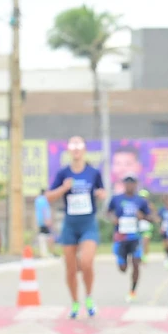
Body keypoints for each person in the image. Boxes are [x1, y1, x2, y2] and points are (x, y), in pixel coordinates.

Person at [46, 136, 105, 318]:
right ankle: (74, 302)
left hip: (88, 224)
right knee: (71, 269)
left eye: (79, 145)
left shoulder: (93, 173)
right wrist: (64, 188)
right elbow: (49, 197)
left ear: (85, 149)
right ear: (69, 150)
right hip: (70, 225)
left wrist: (101, 194)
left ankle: (89, 297)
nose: (76, 148)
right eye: (73, 145)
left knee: (86, 262)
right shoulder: (63, 173)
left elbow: (102, 191)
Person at [106, 176, 153, 301]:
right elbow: (108, 212)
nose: (130, 185)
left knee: (136, 263)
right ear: (124, 184)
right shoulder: (116, 199)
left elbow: (150, 217)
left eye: (132, 183)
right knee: (123, 268)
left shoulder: (140, 201)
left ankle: (132, 291)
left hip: (135, 237)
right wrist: (113, 218)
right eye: (127, 183)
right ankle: (122, 261)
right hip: (121, 237)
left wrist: (142, 216)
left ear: (136, 184)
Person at [35, 190, 54, 258]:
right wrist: (47, 220)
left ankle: (43, 252)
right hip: (45, 220)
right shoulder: (44, 200)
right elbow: (44, 210)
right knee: (49, 236)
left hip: (40, 221)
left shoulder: (37, 200)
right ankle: (49, 252)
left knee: (42, 235)